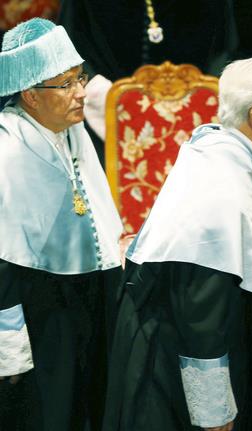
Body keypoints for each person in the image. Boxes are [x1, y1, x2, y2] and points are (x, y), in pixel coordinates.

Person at [102, 56, 252, 431]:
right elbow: (201, 308)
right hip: (169, 374)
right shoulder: (221, 187)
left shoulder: (219, 150)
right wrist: (212, 412)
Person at [0, 18, 123, 431]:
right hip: (40, 314)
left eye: (80, 78)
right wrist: (10, 352)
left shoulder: (73, 132)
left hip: (85, 299)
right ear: (30, 95)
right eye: (66, 84)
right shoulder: (7, 154)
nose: (82, 93)